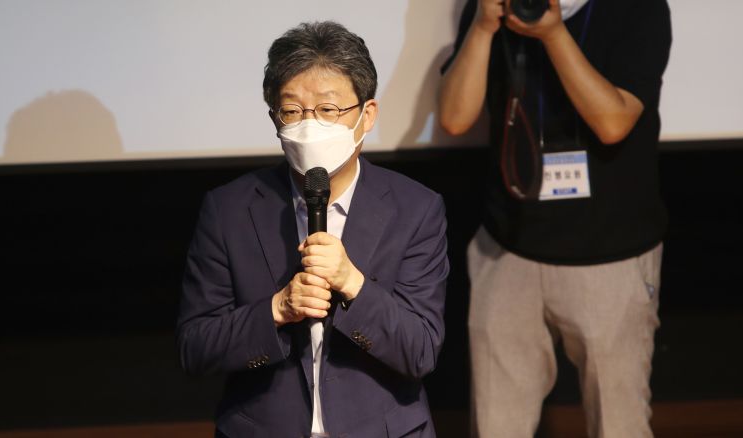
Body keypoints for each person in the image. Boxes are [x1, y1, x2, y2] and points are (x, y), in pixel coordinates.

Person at [177, 21, 449, 438]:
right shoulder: (229, 209)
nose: (309, 125)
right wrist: (277, 309)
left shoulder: (416, 208)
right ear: (274, 118)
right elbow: (195, 348)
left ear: (367, 115)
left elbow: (421, 351)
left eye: (328, 110)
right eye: (292, 111)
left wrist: (352, 283)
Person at [438, 0, 671, 437]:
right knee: (495, 427)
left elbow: (614, 122)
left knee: (618, 426)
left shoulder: (638, 8)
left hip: (610, 255)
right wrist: (484, 28)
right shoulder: (496, 8)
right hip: (507, 251)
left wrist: (552, 34)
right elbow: (453, 118)